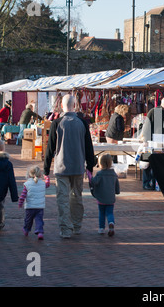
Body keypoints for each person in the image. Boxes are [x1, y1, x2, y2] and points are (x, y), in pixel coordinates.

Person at [44, 94, 96, 239]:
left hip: (61, 167)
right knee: (77, 197)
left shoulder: (57, 123)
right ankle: (77, 226)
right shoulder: (82, 123)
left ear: (61, 106)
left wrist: (46, 169)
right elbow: (88, 147)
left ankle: (66, 229)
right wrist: (90, 166)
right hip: (78, 166)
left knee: (63, 199)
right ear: (75, 105)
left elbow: (50, 148)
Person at [140, 96, 164, 190]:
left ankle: (153, 183)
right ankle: (147, 183)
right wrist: (146, 141)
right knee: (148, 163)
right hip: (151, 141)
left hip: (161, 142)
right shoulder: (153, 111)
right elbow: (147, 127)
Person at [90, 154, 120, 236]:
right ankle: (111, 223)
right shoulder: (114, 174)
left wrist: (90, 177)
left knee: (101, 213)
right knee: (110, 213)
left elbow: (94, 182)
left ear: (100, 163)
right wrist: (117, 191)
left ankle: (101, 228)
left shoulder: (99, 174)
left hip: (101, 198)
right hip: (110, 198)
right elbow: (117, 186)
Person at [18, 166, 50, 240]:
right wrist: (47, 178)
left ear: (29, 175)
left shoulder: (27, 184)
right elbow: (47, 184)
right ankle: (40, 232)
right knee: (39, 220)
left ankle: (26, 230)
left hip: (30, 206)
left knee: (28, 220)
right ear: (39, 175)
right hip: (40, 206)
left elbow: (23, 195)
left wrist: (20, 203)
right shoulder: (42, 183)